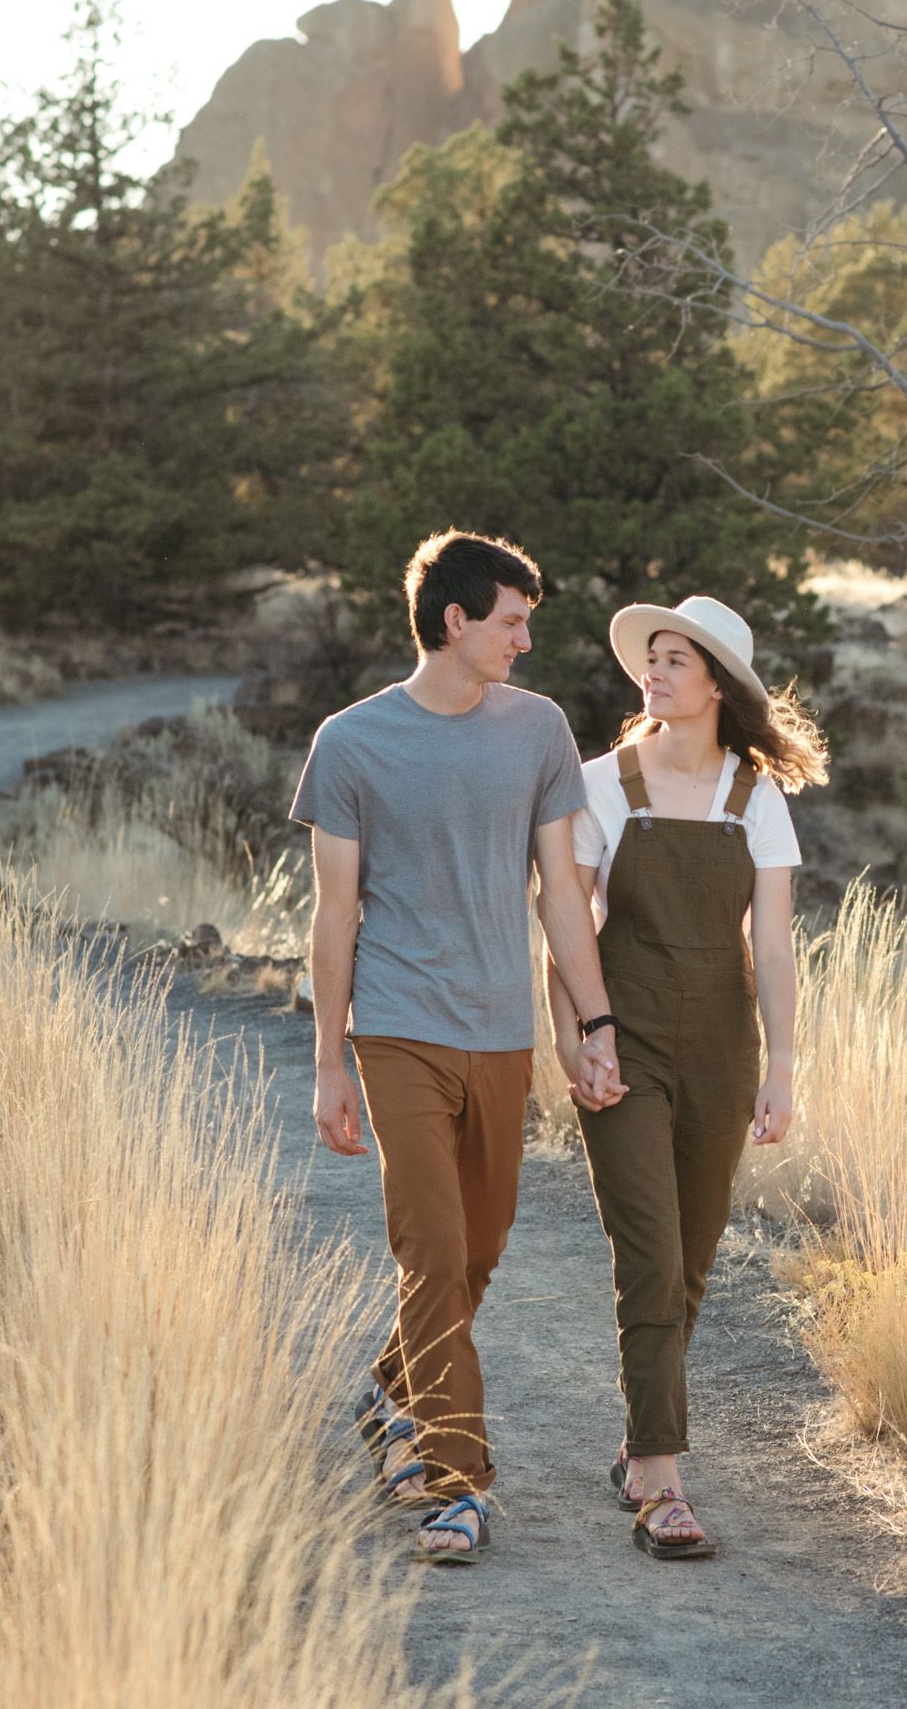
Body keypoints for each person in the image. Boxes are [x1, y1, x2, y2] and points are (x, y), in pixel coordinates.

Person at [293, 530, 624, 1566]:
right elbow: (333, 914)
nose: (525, 639)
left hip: (499, 1033)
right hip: (395, 1031)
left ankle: (390, 1391)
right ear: (455, 622)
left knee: (474, 1257)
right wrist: (327, 1059)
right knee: (430, 1252)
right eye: (512, 620)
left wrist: (594, 1021)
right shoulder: (350, 744)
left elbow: (560, 893)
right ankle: (457, 1484)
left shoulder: (537, 732)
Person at [547, 596, 827, 1560]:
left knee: (693, 1260)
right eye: (650, 660)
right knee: (653, 1258)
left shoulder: (758, 801)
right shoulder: (599, 784)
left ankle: (637, 1444)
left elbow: (777, 950)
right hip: (621, 1041)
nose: (653, 675)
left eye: (675, 661)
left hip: (721, 1046)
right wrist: (574, 1036)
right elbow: (565, 924)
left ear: (718, 684)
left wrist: (782, 1064)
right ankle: (663, 1480)